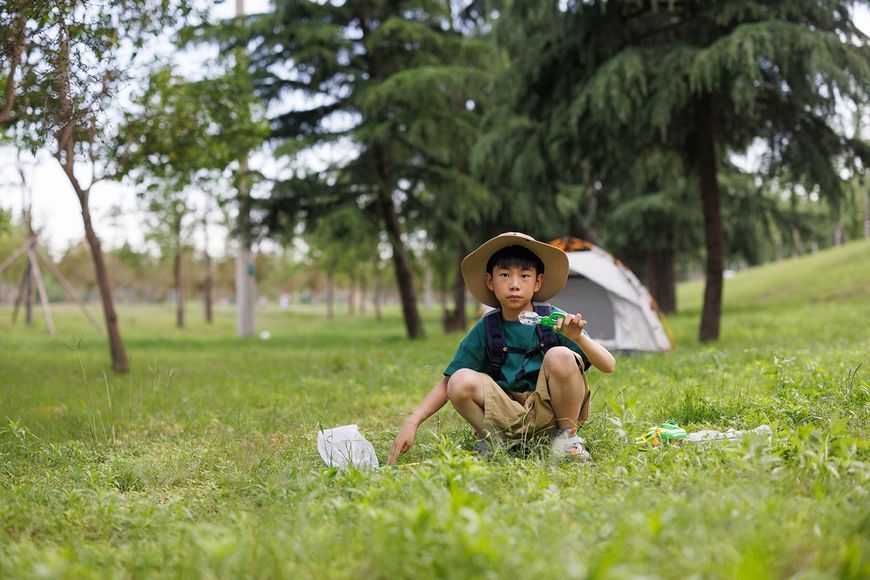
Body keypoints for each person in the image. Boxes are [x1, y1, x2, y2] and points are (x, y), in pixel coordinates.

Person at [387, 232, 616, 465]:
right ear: (490, 281)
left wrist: (579, 339)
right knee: (459, 380)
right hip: (505, 415)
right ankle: (495, 441)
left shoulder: (554, 320)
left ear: (538, 282)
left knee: (561, 355)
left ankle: (567, 440)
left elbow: (609, 365)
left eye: (524, 276)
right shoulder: (487, 328)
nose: (514, 285)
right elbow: (448, 384)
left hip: (551, 414)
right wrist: (413, 421)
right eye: (504, 275)